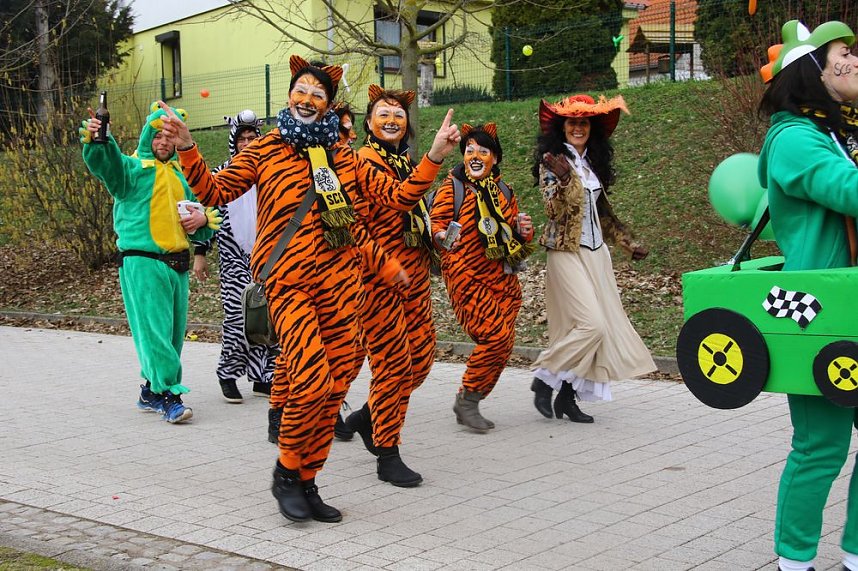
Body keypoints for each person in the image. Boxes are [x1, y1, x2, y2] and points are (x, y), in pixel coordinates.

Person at [159, 55, 460, 523]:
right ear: (288, 96)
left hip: (341, 288)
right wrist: (187, 147)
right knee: (312, 379)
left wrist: (436, 152)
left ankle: (308, 478)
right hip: (289, 283)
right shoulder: (266, 148)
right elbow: (215, 191)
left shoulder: (342, 156)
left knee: (336, 385)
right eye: (302, 90)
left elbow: (399, 197)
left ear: (327, 105)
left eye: (318, 95)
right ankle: (285, 473)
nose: (308, 99)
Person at [757, 19, 858, 571]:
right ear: (814, 68)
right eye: (846, 51)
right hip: (817, 310)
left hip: (853, 301)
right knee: (821, 446)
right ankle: (794, 561)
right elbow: (846, 189)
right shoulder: (794, 137)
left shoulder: (837, 134)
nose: (856, 59)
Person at [79, 101, 218, 424]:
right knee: (154, 332)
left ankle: (150, 391)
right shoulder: (132, 169)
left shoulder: (184, 175)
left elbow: (210, 208)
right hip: (142, 261)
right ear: (147, 137)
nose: (163, 143)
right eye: (157, 136)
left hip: (177, 263)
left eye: (169, 136)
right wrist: (100, 139)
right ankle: (169, 393)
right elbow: (106, 164)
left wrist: (204, 220)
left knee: (171, 334)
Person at [529, 94, 655, 424]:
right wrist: (566, 182)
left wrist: (628, 244)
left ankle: (567, 397)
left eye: (584, 122)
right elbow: (552, 211)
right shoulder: (552, 161)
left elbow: (601, 214)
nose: (578, 127)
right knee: (590, 325)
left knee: (600, 329)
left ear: (591, 128)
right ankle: (545, 376)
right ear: (562, 127)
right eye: (572, 122)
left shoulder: (591, 164)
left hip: (597, 254)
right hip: (566, 252)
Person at [342, 85, 440, 487]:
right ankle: (387, 452)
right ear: (369, 123)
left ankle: (368, 416)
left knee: (422, 359)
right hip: (377, 278)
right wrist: (436, 158)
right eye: (383, 112)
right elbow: (381, 209)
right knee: (394, 365)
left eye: (398, 113)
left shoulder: (405, 162)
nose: (392, 118)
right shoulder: (362, 161)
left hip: (414, 275)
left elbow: (412, 212)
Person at [431, 123, 535, 432]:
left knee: (504, 343)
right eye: (470, 150)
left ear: (495, 158)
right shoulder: (453, 187)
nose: (475, 156)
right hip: (465, 274)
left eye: (483, 151)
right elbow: (436, 223)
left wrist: (524, 232)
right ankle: (467, 402)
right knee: (496, 337)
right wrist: (440, 234)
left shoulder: (504, 191)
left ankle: (471, 396)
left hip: (502, 276)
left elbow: (515, 240)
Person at [192, 110, 276, 404]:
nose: (248, 143)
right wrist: (200, 254)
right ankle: (227, 373)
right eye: (242, 139)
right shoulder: (221, 175)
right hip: (233, 258)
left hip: (268, 257)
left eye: (253, 138)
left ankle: (264, 376)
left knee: (268, 317)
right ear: (234, 142)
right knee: (239, 318)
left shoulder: (269, 175)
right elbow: (206, 215)